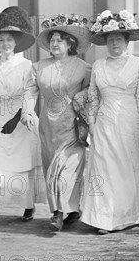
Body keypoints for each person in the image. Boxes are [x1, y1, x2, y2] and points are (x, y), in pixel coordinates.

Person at [80, 10, 139, 235]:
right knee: (105, 169)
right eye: (110, 39)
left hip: (131, 122)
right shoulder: (98, 66)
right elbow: (93, 97)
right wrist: (91, 123)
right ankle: (106, 218)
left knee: (132, 167)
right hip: (105, 123)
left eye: (119, 38)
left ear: (127, 40)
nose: (114, 43)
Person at [0, 6, 45, 224]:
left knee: (21, 166)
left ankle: (28, 206)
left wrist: (17, 120)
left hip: (21, 119)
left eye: (9, 40)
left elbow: (29, 94)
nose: (5, 44)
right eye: (1, 40)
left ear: (15, 43)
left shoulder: (25, 66)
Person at [22, 14, 92, 231]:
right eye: (51, 40)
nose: (54, 44)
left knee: (66, 167)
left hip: (73, 123)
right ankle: (67, 209)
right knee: (51, 166)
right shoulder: (38, 67)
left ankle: (59, 213)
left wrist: (83, 96)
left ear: (69, 43)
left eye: (59, 40)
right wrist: (27, 111)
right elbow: (29, 91)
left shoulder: (84, 67)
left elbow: (92, 91)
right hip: (48, 125)